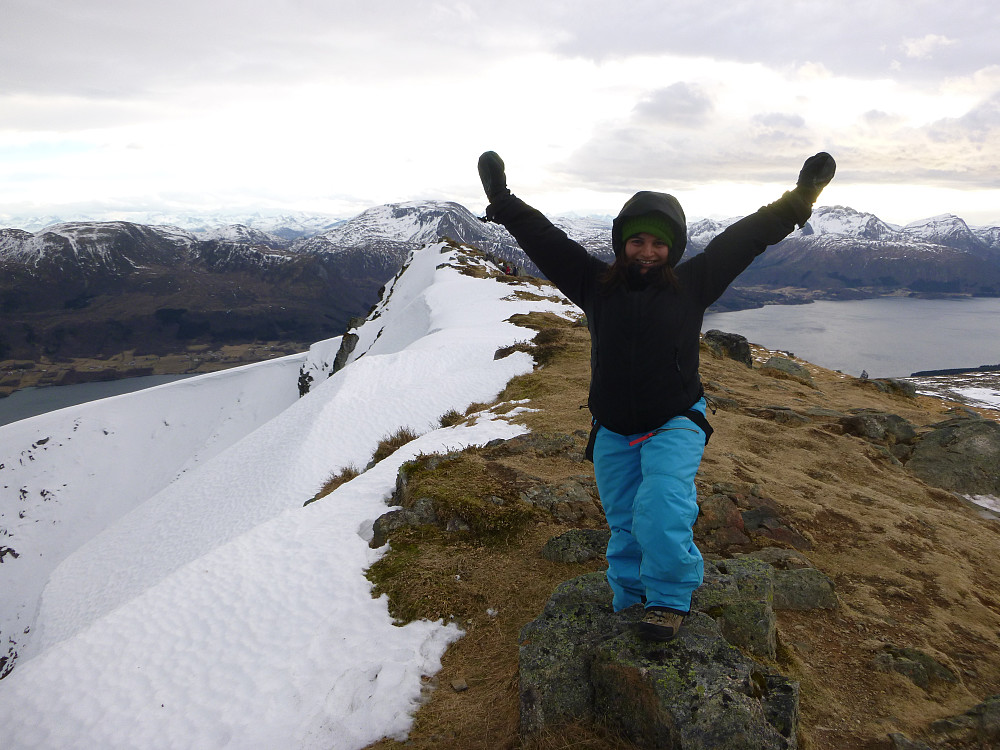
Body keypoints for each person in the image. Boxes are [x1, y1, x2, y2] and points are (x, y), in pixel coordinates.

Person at [477, 149, 835, 641]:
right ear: (622, 243)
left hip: (675, 419)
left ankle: (668, 597)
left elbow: (746, 238)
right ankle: (629, 598)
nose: (647, 251)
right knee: (624, 520)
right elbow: (546, 241)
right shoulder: (595, 285)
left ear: (675, 249)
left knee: (663, 504)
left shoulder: (693, 284)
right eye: (637, 241)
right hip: (613, 428)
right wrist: (502, 200)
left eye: (659, 244)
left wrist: (801, 199)